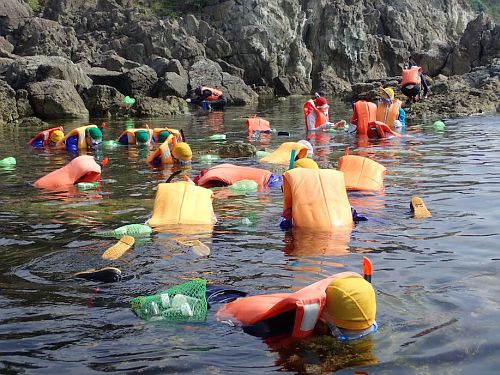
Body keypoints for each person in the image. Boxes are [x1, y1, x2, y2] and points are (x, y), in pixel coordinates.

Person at [216, 271, 377, 341]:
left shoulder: (313, 314)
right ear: (321, 325)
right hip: (223, 307)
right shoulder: (266, 330)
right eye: (344, 338)